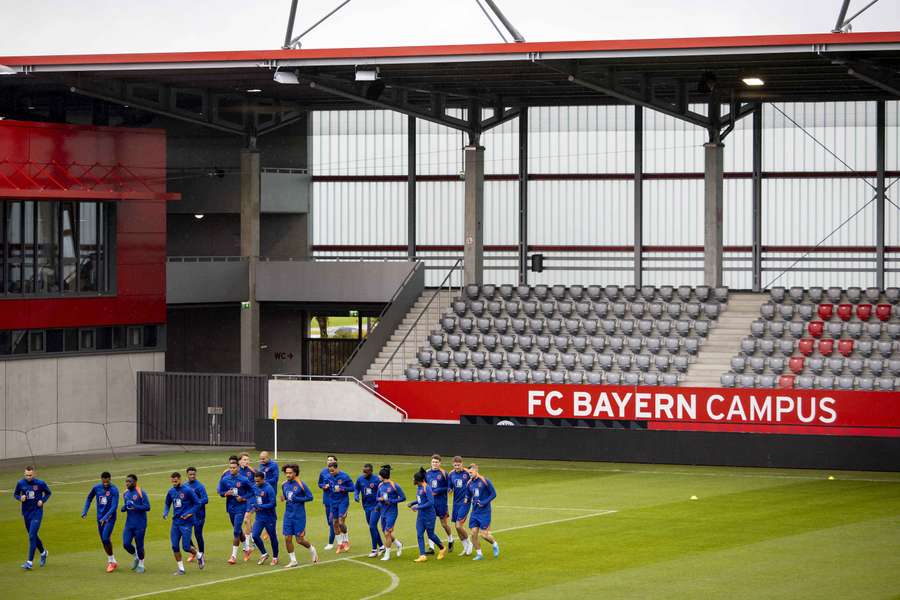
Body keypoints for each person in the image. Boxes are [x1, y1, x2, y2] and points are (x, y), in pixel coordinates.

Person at [218, 455, 255, 564]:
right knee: (238, 530)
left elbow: (252, 492)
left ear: (238, 468)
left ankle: (233, 556)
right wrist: (225, 493)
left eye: (234, 468)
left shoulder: (244, 480)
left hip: (241, 508)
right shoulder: (225, 480)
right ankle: (247, 549)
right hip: (230, 507)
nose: (232, 469)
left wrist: (243, 498)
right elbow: (220, 492)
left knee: (235, 531)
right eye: (231, 468)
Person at [163, 472, 201, 575]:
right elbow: (167, 503)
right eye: (173, 481)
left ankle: (198, 555)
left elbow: (198, 503)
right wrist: (165, 512)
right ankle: (181, 569)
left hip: (186, 523)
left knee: (186, 547)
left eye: (176, 481)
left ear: (180, 479)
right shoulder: (171, 492)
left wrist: (189, 513)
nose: (174, 483)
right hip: (175, 523)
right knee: (174, 546)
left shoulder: (188, 491)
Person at [81, 471, 120, 572]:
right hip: (99, 518)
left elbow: (114, 506)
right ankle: (112, 561)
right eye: (103, 481)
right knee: (104, 540)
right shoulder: (96, 488)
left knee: (106, 537)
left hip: (110, 518)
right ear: (101, 480)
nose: (105, 483)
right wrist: (85, 510)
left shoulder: (114, 490)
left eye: (107, 481)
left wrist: (105, 517)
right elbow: (89, 498)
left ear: (110, 479)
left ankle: (111, 562)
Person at [281, 464, 317, 568]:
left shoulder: (301, 484)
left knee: (299, 540)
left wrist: (298, 499)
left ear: (295, 473)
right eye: (286, 473)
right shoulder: (284, 484)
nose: (288, 475)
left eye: (290, 473)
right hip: (288, 515)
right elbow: (285, 496)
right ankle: (293, 561)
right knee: (287, 538)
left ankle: (312, 549)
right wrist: (283, 498)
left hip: (299, 516)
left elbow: (310, 497)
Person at [14, 466, 51, 570]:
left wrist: (42, 501)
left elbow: (48, 493)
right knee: (33, 535)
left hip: (37, 512)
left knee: (31, 536)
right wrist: (20, 498)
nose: (28, 477)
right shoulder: (20, 483)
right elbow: (15, 494)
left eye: (30, 475)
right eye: (26, 475)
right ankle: (43, 552)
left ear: (34, 474)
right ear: (24, 474)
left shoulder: (40, 483)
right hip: (26, 513)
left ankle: (29, 562)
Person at [409, 467, 446, 563]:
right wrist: (413, 503)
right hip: (421, 516)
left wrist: (417, 507)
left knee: (431, 535)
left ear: (418, 480)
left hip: (429, 515)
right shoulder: (419, 487)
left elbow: (431, 502)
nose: (412, 480)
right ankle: (422, 555)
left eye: (414, 478)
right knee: (419, 534)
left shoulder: (427, 488)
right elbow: (421, 500)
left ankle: (442, 548)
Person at [466, 463, 500, 561]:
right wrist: (466, 499)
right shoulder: (469, 483)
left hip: (485, 512)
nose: (470, 474)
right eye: (469, 473)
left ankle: (494, 544)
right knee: (473, 534)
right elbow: (468, 495)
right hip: (474, 512)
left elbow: (493, 494)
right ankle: (479, 554)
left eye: (471, 472)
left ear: (476, 471)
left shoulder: (485, 481)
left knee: (484, 534)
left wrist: (484, 502)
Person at [121, 474, 151, 573]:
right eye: (126, 481)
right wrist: (124, 508)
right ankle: (136, 557)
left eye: (129, 481)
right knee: (126, 544)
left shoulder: (141, 492)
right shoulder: (125, 493)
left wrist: (135, 507)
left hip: (140, 524)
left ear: (135, 482)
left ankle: (142, 564)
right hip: (129, 524)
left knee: (139, 545)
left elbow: (147, 507)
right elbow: (126, 505)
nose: (127, 483)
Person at [375, 465, 405, 562]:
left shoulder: (394, 485)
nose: (378, 477)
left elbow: (403, 497)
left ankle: (387, 554)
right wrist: (380, 500)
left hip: (392, 512)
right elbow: (377, 497)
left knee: (387, 533)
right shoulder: (380, 485)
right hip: (383, 512)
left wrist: (391, 501)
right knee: (385, 533)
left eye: (379, 475)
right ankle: (399, 544)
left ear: (383, 476)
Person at [250, 471, 280, 566]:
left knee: (272, 537)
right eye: (255, 481)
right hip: (259, 517)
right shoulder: (254, 487)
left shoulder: (269, 489)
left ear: (263, 479)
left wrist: (261, 506)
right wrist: (252, 506)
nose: (256, 483)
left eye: (258, 481)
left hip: (269, 517)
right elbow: (252, 497)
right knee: (254, 536)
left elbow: (273, 503)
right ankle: (264, 553)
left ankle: (275, 557)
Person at [425, 454, 453, 553]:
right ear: (431, 462)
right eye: (433, 462)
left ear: (440, 463)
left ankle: (450, 539)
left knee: (444, 524)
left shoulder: (444, 473)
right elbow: (424, 486)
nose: (435, 464)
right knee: (429, 525)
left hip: (441, 503)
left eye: (436, 462)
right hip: (430, 503)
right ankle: (431, 548)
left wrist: (438, 490)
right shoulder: (427, 473)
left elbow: (448, 487)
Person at [354, 463, 383, 557]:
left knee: (372, 526)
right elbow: (356, 488)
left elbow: (382, 491)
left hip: (376, 506)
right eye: (363, 471)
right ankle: (382, 546)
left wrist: (380, 503)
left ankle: (374, 550)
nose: (364, 473)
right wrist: (356, 495)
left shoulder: (377, 480)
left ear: (371, 471)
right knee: (372, 527)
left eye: (366, 472)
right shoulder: (360, 479)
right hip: (366, 506)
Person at [326, 460, 354, 554]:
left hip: (343, 502)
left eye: (333, 470)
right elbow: (329, 488)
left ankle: (346, 541)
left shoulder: (344, 476)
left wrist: (342, 488)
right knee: (334, 523)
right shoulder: (329, 477)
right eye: (330, 471)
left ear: (337, 468)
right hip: (333, 503)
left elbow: (352, 488)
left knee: (341, 522)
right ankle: (339, 544)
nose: (331, 472)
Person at [448, 456, 473, 556]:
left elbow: (474, 481)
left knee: (459, 525)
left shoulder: (467, 473)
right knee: (456, 527)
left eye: (458, 465)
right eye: (455, 465)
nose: (457, 466)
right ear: (453, 464)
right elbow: (450, 485)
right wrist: (449, 489)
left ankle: (469, 543)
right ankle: (465, 546)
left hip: (465, 502)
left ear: (462, 464)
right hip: (456, 503)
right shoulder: (451, 474)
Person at [184, 467, 208, 565]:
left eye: (194, 474)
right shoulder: (184, 486)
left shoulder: (200, 486)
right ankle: (194, 551)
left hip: (199, 515)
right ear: (187, 475)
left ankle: (201, 554)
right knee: (185, 533)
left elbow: (206, 499)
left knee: (198, 534)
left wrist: (196, 502)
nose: (192, 476)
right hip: (188, 515)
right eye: (190, 474)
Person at [238, 453, 257, 555]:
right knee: (248, 521)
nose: (246, 462)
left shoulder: (252, 471)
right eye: (244, 460)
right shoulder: (236, 471)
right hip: (241, 499)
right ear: (239, 461)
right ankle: (255, 539)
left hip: (251, 497)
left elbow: (261, 479)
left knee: (246, 519)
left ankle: (248, 545)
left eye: (248, 460)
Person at [318, 454, 337, 549]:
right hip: (327, 499)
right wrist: (323, 486)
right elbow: (319, 483)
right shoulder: (323, 472)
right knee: (330, 522)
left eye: (331, 460)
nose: (329, 461)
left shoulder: (338, 473)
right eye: (328, 460)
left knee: (332, 521)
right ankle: (342, 535)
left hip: (336, 500)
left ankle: (331, 543)